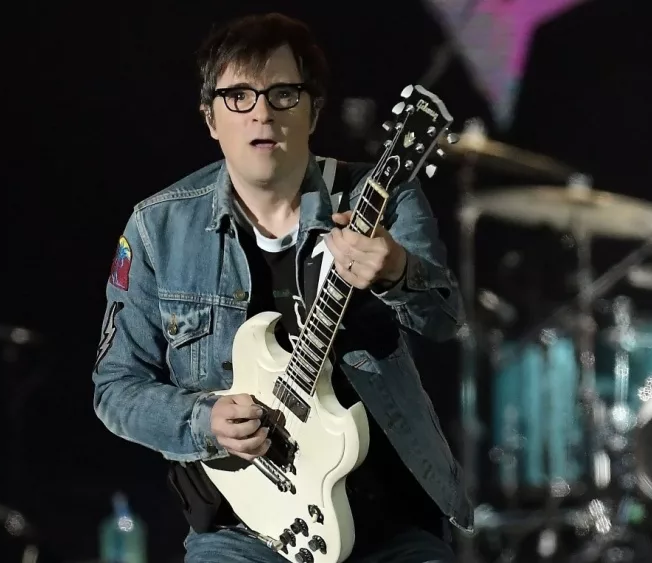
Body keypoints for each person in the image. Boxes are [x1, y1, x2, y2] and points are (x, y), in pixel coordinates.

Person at [92, 12, 472, 563]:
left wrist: (396, 271)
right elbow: (115, 386)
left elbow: (445, 320)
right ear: (210, 119)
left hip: (387, 518)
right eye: (239, 96)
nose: (263, 113)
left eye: (284, 94)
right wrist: (204, 420)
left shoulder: (384, 198)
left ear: (314, 110)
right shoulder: (156, 231)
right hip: (242, 528)